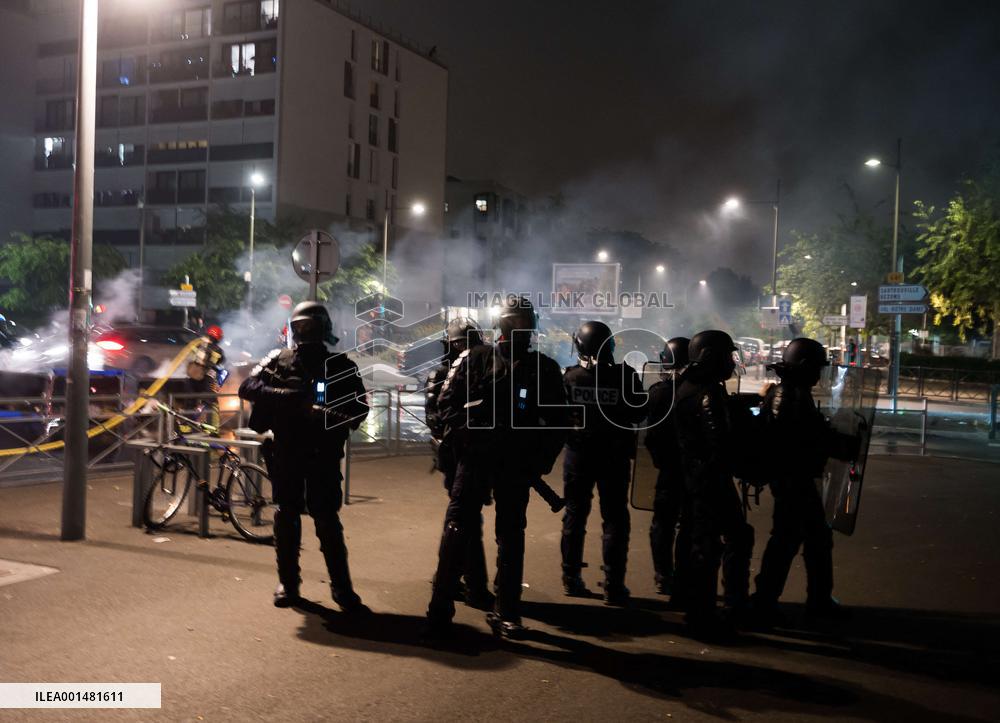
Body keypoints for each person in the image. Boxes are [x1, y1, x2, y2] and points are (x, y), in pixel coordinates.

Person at [425, 296, 568, 639]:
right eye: (515, 322)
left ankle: (507, 611)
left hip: (516, 465)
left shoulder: (543, 368)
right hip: (475, 460)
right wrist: (470, 441)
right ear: (503, 324)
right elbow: (447, 406)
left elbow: (559, 421)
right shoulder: (474, 358)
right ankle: (440, 606)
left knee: (511, 534)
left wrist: (539, 460)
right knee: (458, 527)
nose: (521, 330)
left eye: (525, 323)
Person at [238, 301, 369, 611]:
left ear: (323, 329)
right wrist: (286, 397)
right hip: (287, 450)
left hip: (323, 452)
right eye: (301, 327)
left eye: (310, 327)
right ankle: (288, 583)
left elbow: (360, 408)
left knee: (327, 520)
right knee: (286, 516)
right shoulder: (277, 360)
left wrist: (328, 418)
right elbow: (248, 386)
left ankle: (342, 589)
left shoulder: (341, 366)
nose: (305, 333)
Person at [751, 337, 857, 624]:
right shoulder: (790, 395)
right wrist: (840, 443)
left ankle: (802, 599)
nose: (819, 373)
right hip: (792, 478)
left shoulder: (791, 392)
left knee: (807, 538)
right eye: (816, 367)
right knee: (790, 539)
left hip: (793, 477)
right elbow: (803, 439)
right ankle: (772, 600)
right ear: (804, 366)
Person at [674, 329, 755, 639]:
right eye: (726, 356)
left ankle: (705, 611)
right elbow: (720, 442)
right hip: (710, 479)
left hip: (696, 477)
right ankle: (717, 611)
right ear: (710, 357)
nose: (731, 362)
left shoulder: (686, 386)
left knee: (707, 543)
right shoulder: (706, 392)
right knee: (719, 543)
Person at [560, 320, 647, 605]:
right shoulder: (625, 376)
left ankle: (571, 578)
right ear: (610, 345)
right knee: (615, 520)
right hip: (614, 456)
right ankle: (614, 583)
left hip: (579, 456)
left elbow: (558, 416)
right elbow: (639, 412)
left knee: (574, 515)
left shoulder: (570, 377)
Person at [425, 316, 495, 610]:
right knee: (465, 519)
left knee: (464, 518)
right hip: (456, 456)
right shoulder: (444, 373)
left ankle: (456, 581)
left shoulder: (482, 370)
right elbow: (435, 416)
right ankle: (470, 585)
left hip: (472, 454)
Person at [644, 337, 690, 600]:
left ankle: (663, 575)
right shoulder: (699, 389)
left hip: (669, 469)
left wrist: (660, 459)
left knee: (663, 524)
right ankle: (682, 578)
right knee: (688, 525)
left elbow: (651, 436)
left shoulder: (659, 392)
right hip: (691, 469)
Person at [184, 324, 226, 431]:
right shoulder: (218, 350)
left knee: (190, 402)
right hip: (207, 379)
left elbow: (189, 355)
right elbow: (221, 361)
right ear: (219, 338)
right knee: (211, 403)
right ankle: (212, 428)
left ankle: (186, 426)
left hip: (192, 377)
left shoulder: (198, 344)